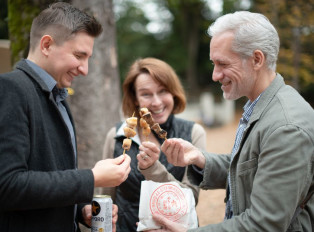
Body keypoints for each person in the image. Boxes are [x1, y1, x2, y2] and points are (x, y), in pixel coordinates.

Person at [146, 11, 314, 232]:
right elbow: (254, 169)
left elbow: (264, 225)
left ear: (256, 59)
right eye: (213, 64)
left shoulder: (286, 128)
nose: (215, 75)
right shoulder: (263, 106)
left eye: (222, 64)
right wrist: (199, 159)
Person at [0, 2, 131, 232]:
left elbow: (53, 176)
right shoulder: (11, 89)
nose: (85, 69)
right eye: (79, 55)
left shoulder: (58, 97)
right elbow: (8, 186)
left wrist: (82, 210)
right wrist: (91, 178)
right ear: (47, 45)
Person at [101, 57, 207, 231]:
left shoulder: (193, 133)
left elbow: (191, 198)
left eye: (163, 91)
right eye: (146, 94)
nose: (156, 102)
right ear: (135, 98)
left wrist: (154, 170)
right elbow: (105, 196)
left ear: (173, 92)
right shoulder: (117, 135)